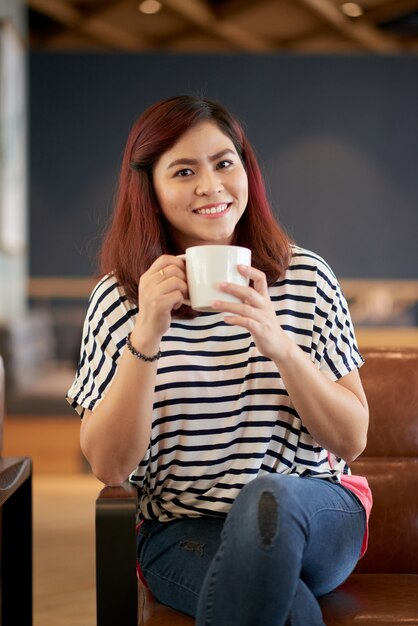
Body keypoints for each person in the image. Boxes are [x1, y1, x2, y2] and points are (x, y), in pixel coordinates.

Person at [67, 95, 372, 626]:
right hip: (185, 529)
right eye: (184, 171)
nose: (211, 186)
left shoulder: (306, 278)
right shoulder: (119, 300)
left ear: (246, 173)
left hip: (314, 510)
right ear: (151, 190)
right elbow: (111, 467)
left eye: (224, 163)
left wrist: (279, 343)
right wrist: (146, 335)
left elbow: (351, 440)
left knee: (267, 502)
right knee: (290, 610)